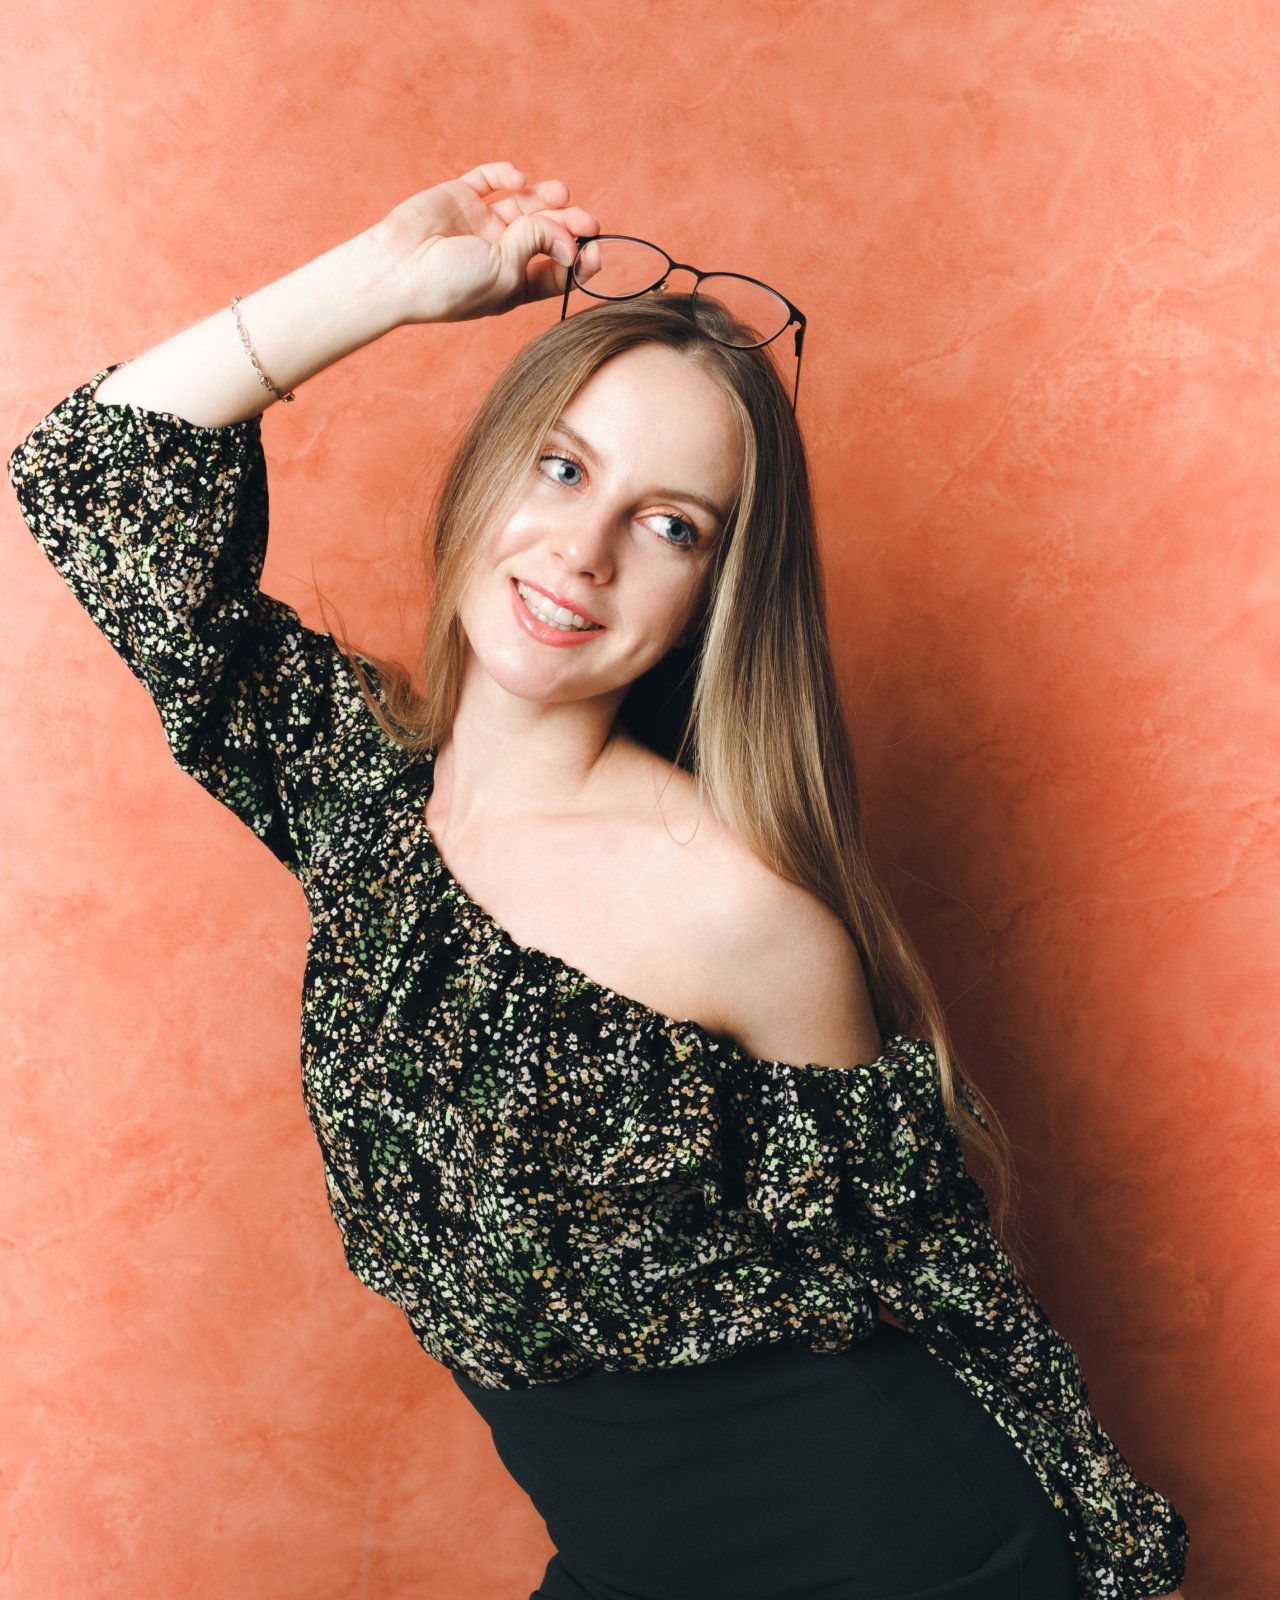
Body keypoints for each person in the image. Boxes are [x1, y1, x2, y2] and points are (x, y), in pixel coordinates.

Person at [8, 160, 1189, 1600]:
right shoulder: (357, 799)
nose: (582, 552)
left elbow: (945, 1290)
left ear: (711, 599)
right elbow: (89, 473)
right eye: (563, 468)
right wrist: (386, 282)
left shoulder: (738, 912)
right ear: (491, 467)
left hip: (893, 1561)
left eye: (670, 524)